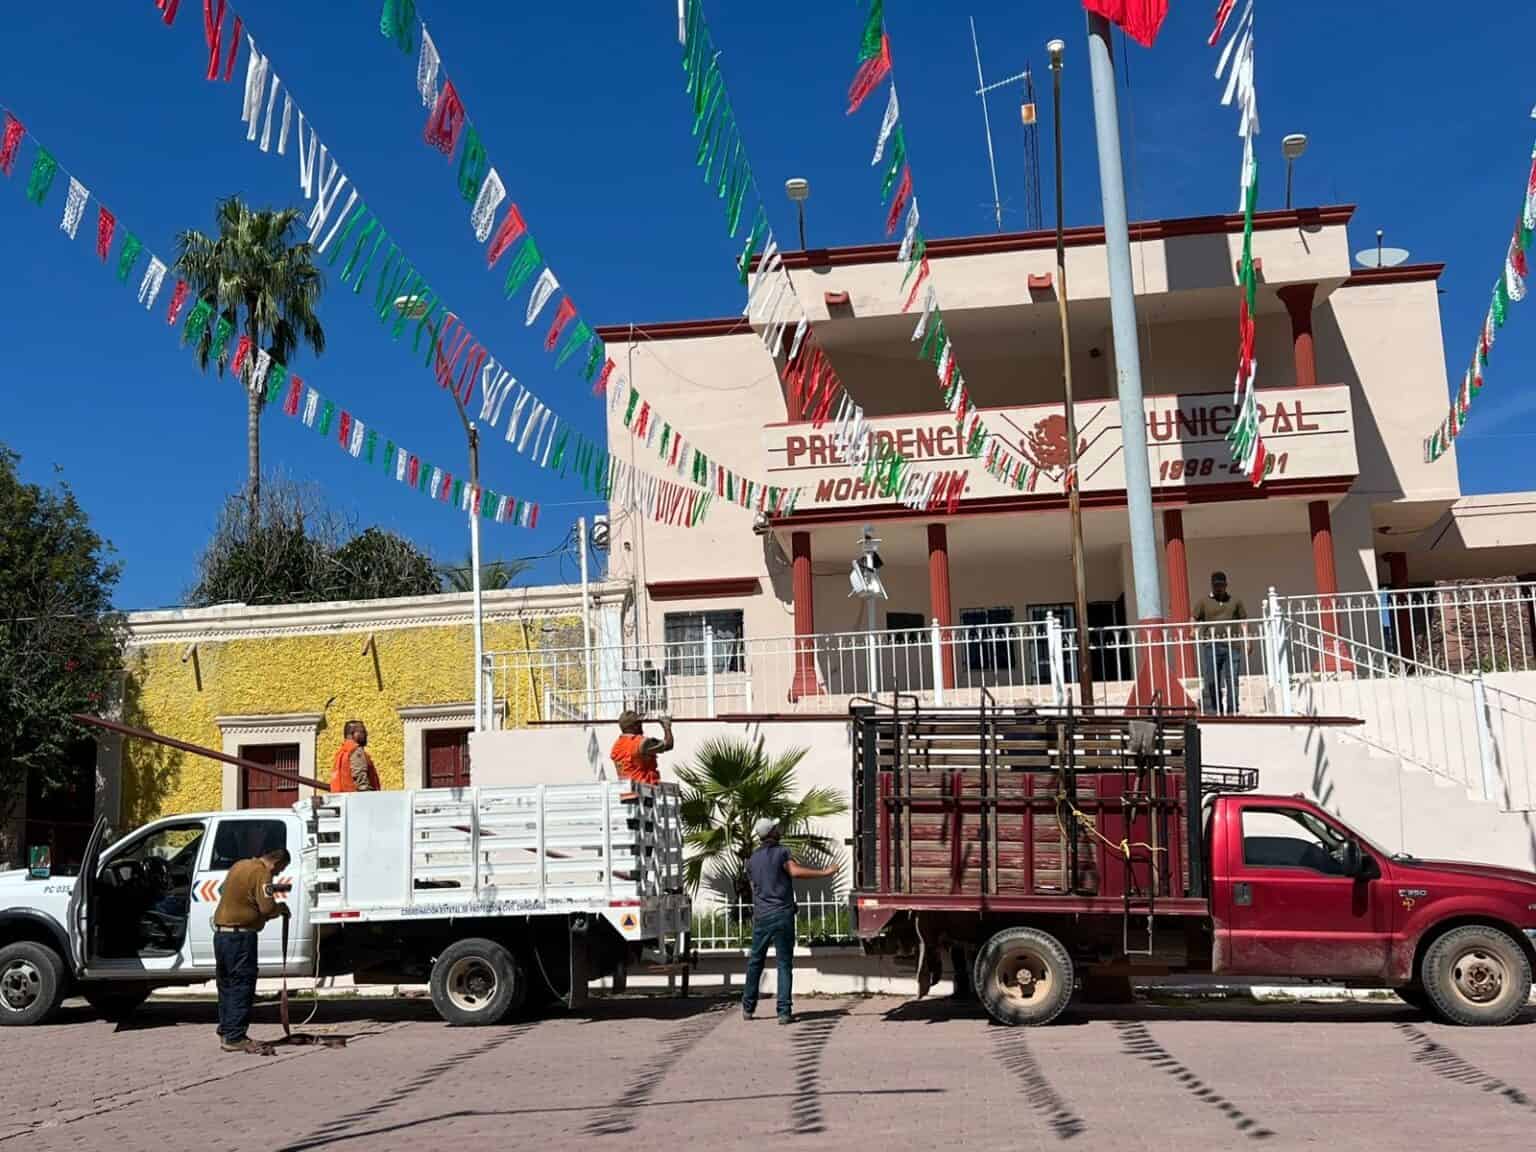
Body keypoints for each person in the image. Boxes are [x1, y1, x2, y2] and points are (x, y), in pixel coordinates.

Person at [741, 818, 838, 1025]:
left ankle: (748, 1008)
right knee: (784, 963)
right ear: (772, 833)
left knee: (755, 961)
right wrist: (825, 872)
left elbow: (754, 888)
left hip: (762, 916)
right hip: (782, 914)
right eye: (776, 828)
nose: (779, 830)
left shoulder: (752, 860)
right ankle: (783, 1012)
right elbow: (794, 871)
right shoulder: (782, 852)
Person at [212, 847, 291, 1054]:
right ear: (276, 862)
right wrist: (280, 908)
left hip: (221, 935)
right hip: (240, 937)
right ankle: (236, 1037)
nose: (277, 874)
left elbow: (225, 891)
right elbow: (267, 908)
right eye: (280, 870)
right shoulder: (262, 873)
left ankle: (227, 1031)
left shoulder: (239, 865)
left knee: (226, 984)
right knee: (242, 985)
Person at [1193, 571, 1248, 715]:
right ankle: (1216, 709)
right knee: (1212, 679)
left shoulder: (1235, 601)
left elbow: (1243, 620)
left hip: (1232, 645)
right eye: (1216, 585)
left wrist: (1247, 641)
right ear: (1212, 585)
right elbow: (1194, 617)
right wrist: (1192, 630)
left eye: (1221, 585)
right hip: (1211, 645)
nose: (1218, 588)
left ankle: (1232, 710)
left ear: (1226, 585)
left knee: (1232, 678)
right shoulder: (1203, 602)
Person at [609, 710, 673, 786]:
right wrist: (666, 725)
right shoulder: (641, 743)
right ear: (634, 726)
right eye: (639, 723)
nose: (641, 725)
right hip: (644, 789)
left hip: (626, 790)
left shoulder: (616, 746)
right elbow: (669, 744)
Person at [332, 720, 380, 793]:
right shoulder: (355, 751)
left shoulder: (342, 752)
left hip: (344, 796)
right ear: (351, 734)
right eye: (363, 731)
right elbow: (361, 779)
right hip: (357, 797)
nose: (366, 734)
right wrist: (369, 795)